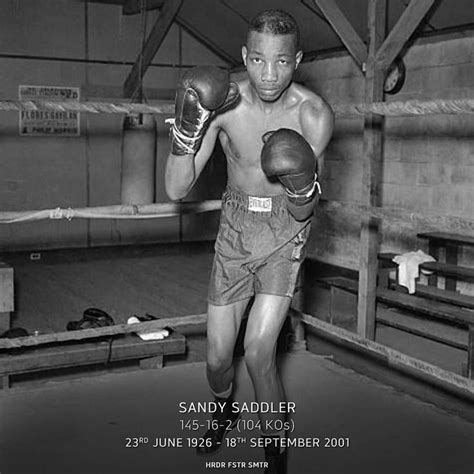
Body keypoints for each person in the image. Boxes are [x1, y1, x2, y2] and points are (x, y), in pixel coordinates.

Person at [165, 9, 334, 473]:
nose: (268, 74)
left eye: (281, 62)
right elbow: (176, 189)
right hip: (235, 227)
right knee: (219, 359)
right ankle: (223, 405)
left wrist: (301, 187)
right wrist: (186, 133)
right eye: (258, 60)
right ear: (244, 56)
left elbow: (305, 208)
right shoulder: (225, 105)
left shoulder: (313, 114)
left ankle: (274, 455)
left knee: (260, 351)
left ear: (296, 60)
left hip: (285, 231)